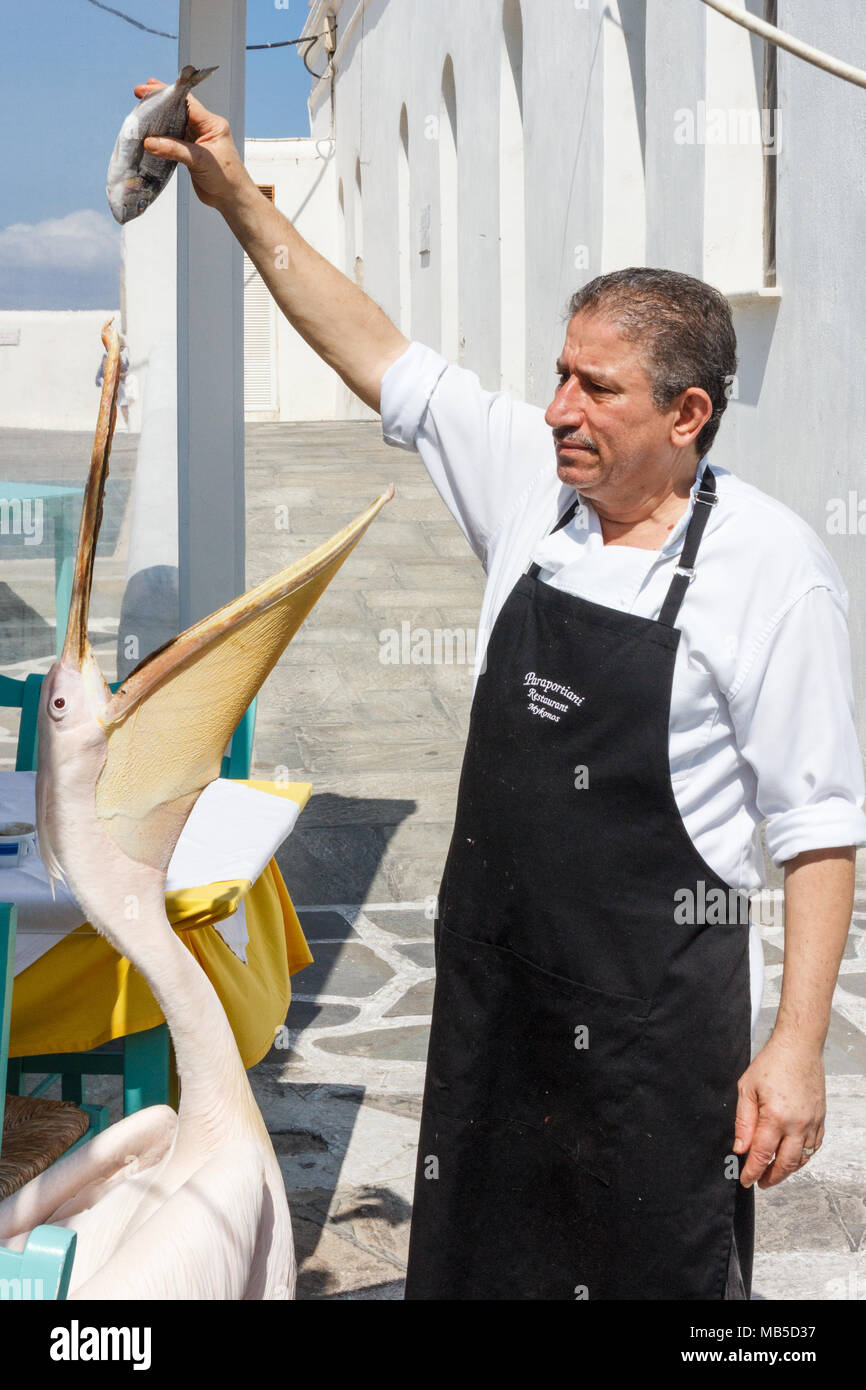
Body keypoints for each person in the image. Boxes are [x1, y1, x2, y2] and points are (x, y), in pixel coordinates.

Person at [137, 80, 866, 1300]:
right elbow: (371, 347)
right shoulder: (531, 487)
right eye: (559, 374)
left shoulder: (772, 571)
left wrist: (793, 1050)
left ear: (687, 414)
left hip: (655, 1041)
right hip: (496, 1011)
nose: (555, 409)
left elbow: (817, 828)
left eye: (595, 388)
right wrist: (232, 199)